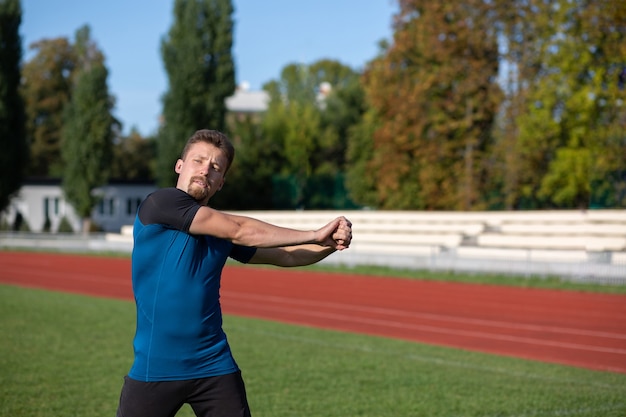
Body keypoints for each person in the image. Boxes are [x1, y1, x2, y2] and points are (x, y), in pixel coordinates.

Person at [116, 129, 353, 417]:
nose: (205, 170)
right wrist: (314, 233)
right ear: (179, 166)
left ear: (221, 182)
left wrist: (328, 245)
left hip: (214, 366)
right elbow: (239, 229)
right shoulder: (160, 203)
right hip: (156, 367)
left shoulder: (219, 231)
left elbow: (285, 255)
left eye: (215, 167)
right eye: (198, 161)